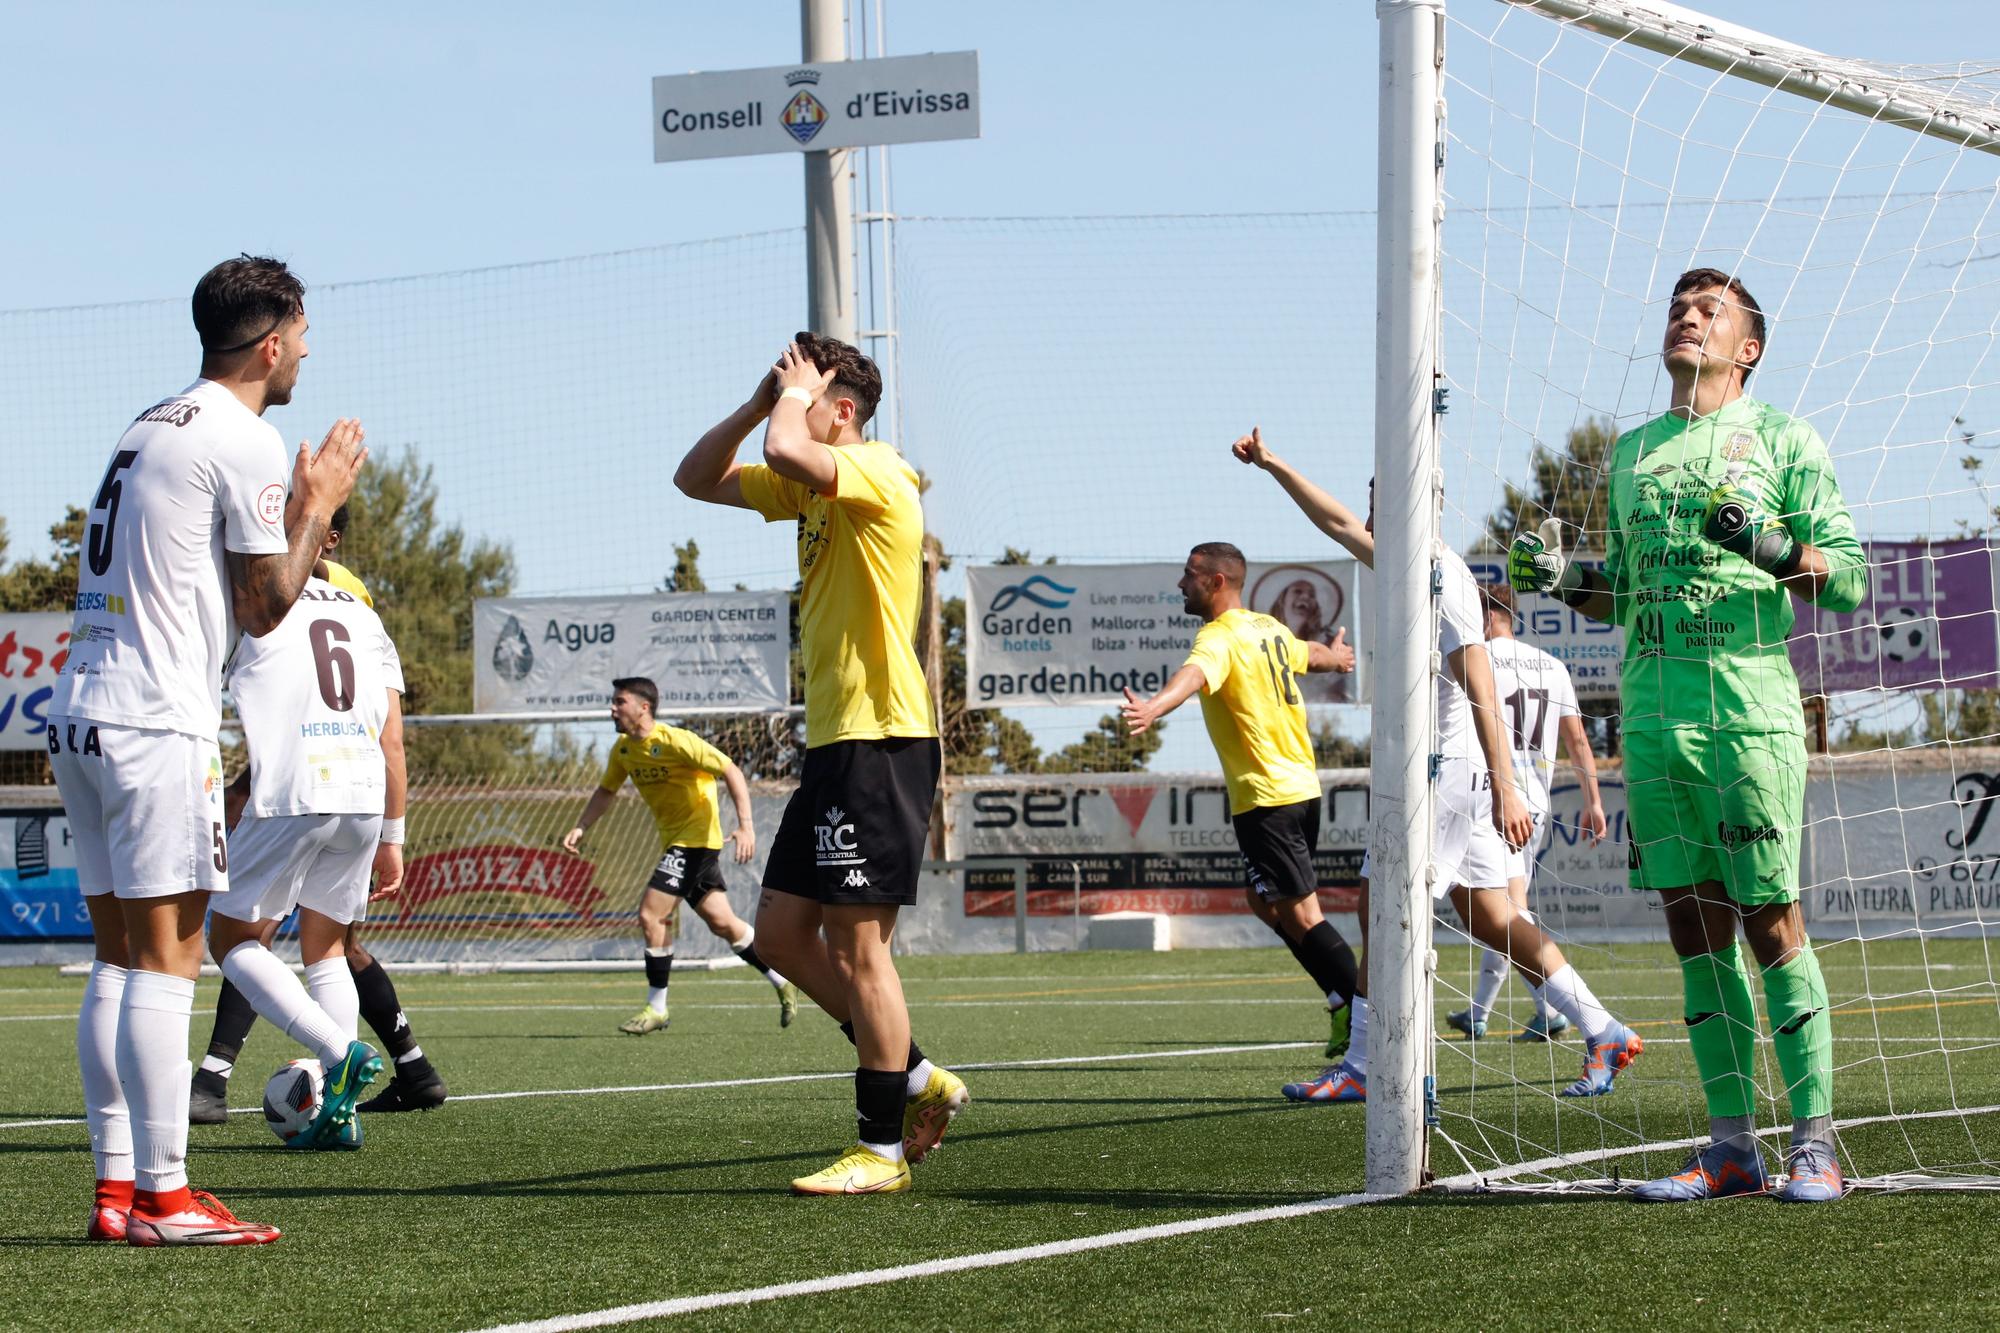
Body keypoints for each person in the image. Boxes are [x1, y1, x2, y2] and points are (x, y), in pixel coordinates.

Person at [1510, 267, 1866, 1203]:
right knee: (1694, 934)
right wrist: (1556, 578)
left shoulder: (1785, 437)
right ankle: (1730, 1147)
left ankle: (1816, 1146)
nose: (1688, 317)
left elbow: (1851, 580)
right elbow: (1621, 592)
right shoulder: (1632, 454)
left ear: (1747, 346)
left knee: (1771, 924)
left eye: (1711, 311)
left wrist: (1772, 546)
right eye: (1679, 306)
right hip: (1655, 718)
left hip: (1749, 713)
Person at [47, 255, 364, 1245]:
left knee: (115, 959)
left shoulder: (151, 420)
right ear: (271, 343)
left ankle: (115, 1187)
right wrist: (317, 500)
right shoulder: (247, 437)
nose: (308, 351)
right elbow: (265, 609)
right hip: (154, 720)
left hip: (82, 712)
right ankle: (168, 1195)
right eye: (304, 334)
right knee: (168, 964)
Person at [1230, 430, 1642, 1104]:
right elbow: (1334, 521)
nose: (1366, 506)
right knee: (1494, 921)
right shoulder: (1406, 557)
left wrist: (1506, 785)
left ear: (1419, 505)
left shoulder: (1443, 575)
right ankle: (1604, 1030)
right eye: (1368, 494)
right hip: (1459, 776)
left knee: (1379, 910)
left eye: (1379, 496)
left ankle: (1364, 1063)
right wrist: (1275, 463)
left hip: (1443, 779)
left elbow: (1479, 677)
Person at [675, 333, 965, 1196]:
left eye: (808, 388)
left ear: (843, 408)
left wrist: (789, 410)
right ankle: (915, 1076)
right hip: (837, 743)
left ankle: (880, 1152)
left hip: (882, 738)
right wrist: (759, 403)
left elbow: (786, 448)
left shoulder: (880, 469)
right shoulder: (808, 485)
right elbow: (695, 477)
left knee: (859, 946)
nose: (789, 399)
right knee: (781, 935)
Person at [188, 511, 447, 1123]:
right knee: (327, 949)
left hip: (295, 790)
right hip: (362, 794)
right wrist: (393, 836)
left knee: (229, 940)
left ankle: (339, 1051)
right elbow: (393, 743)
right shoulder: (364, 613)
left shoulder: (251, 596)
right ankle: (340, 1109)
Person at [1120, 543, 1362, 1059]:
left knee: (1303, 917)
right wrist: (1337, 657)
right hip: (1301, 789)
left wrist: (1154, 709)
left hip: (1267, 795)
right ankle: (1345, 998)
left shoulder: (1219, 636)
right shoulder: (1267, 628)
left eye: (1189, 575)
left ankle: (1371, 1015)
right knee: (1263, 899)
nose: (1181, 585)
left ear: (1215, 582)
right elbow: (1310, 654)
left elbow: (1194, 676)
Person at [561, 677, 797, 1033]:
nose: (612, 708)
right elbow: (606, 791)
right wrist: (581, 826)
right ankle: (782, 979)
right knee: (723, 923)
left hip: (695, 841)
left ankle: (657, 1007)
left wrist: (746, 825)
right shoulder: (623, 750)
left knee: (650, 915)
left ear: (644, 707)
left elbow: (730, 770)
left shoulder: (676, 741)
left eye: (619, 702)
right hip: (678, 842)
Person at [1446, 583, 1606, 1042]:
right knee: (1510, 909)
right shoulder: (1552, 665)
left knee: (1505, 913)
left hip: (1491, 796)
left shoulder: (1475, 658)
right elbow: (1578, 741)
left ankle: (1558, 1012)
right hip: (1534, 800)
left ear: (1486, 615)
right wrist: (1593, 801)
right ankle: (1502, 1010)